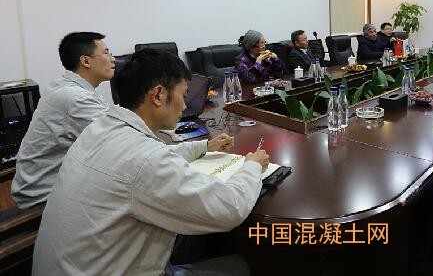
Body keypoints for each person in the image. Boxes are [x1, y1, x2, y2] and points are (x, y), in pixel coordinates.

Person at [33, 49, 270, 275]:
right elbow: (230, 209)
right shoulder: (145, 159)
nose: (185, 105)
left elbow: (147, 160)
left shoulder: (100, 128)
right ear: (158, 95)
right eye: (183, 95)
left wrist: (204, 147)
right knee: (239, 264)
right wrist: (252, 166)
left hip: (68, 264)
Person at [11, 32, 114, 209]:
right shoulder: (75, 97)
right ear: (86, 61)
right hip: (43, 198)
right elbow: (117, 139)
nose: (113, 59)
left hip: (43, 185)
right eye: (106, 52)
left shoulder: (66, 86)